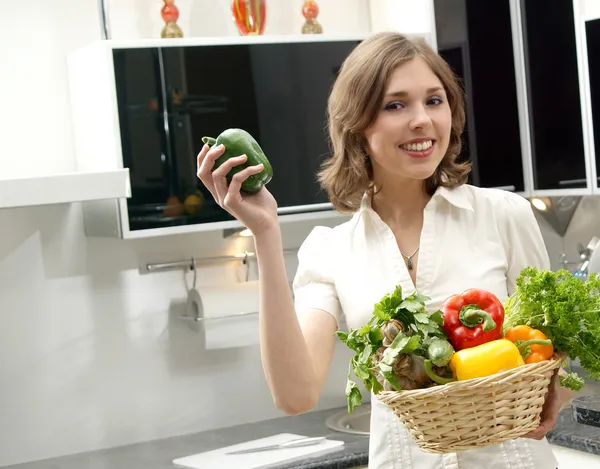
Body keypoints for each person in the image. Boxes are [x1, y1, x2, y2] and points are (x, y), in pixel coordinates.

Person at [197, 31, 572, 469]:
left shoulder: (503, 216)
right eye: (396, 105)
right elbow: (295, 394)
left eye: (435, 100)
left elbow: (551, 351)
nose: (422, 120)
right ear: (357, 123)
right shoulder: (331, 250)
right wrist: (264, 232)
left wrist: (556, 393)